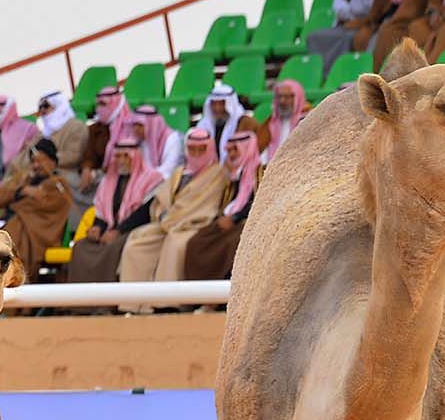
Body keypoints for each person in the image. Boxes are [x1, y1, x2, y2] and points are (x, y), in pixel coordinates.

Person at [119, 127, 229, 286]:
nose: (197, 153)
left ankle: (168, 303)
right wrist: (163, 216)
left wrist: (171, 220)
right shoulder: (179, 172)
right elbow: (161, 200)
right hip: (167, 224)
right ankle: (135, 304)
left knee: (174, 245)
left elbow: (202, 207)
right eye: (192, 148)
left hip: (193, 225)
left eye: (202, 149)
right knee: (136, 243)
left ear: (210, 148)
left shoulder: (217, 174)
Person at [67, 132, 161, 283]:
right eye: (118, 156)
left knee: (113, 248)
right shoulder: (109, 180)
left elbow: (143, 214)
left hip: (133, 230)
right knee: (81, 247)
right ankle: (80, 302)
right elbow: (102, 210)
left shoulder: (152, 179)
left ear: (136, 156)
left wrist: (118, 232)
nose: (121, 161)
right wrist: (97, 227)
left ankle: (106, 302)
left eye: (126, 156)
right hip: (110, 230)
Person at [181, 126, 261, 281]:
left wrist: (235, 218)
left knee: (232, 246)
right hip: (226, 221)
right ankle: (201, 297)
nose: (231, 155)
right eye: (229, 151)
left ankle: (220, 299)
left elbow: (259, 201)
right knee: (196, 242)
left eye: (235, 150)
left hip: (248, 223)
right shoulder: (232, 174)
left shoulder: (261, 171)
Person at [0, 138, 74, 279]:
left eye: (41, 161)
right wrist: (23, 191)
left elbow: (37, 207)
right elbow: (0, 197)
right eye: (33, 161)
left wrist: (15, 202)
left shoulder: (59, 185)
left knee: (10, 237)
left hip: (40, 233)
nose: (36, 165)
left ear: (53, 162)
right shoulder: (27, 181)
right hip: (19, 225)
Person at [264, 79, 308, 163]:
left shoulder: (307, 120)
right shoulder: (271, 123)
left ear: (297, 98)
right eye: (279, 96)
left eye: (287, 97)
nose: (282, 101)